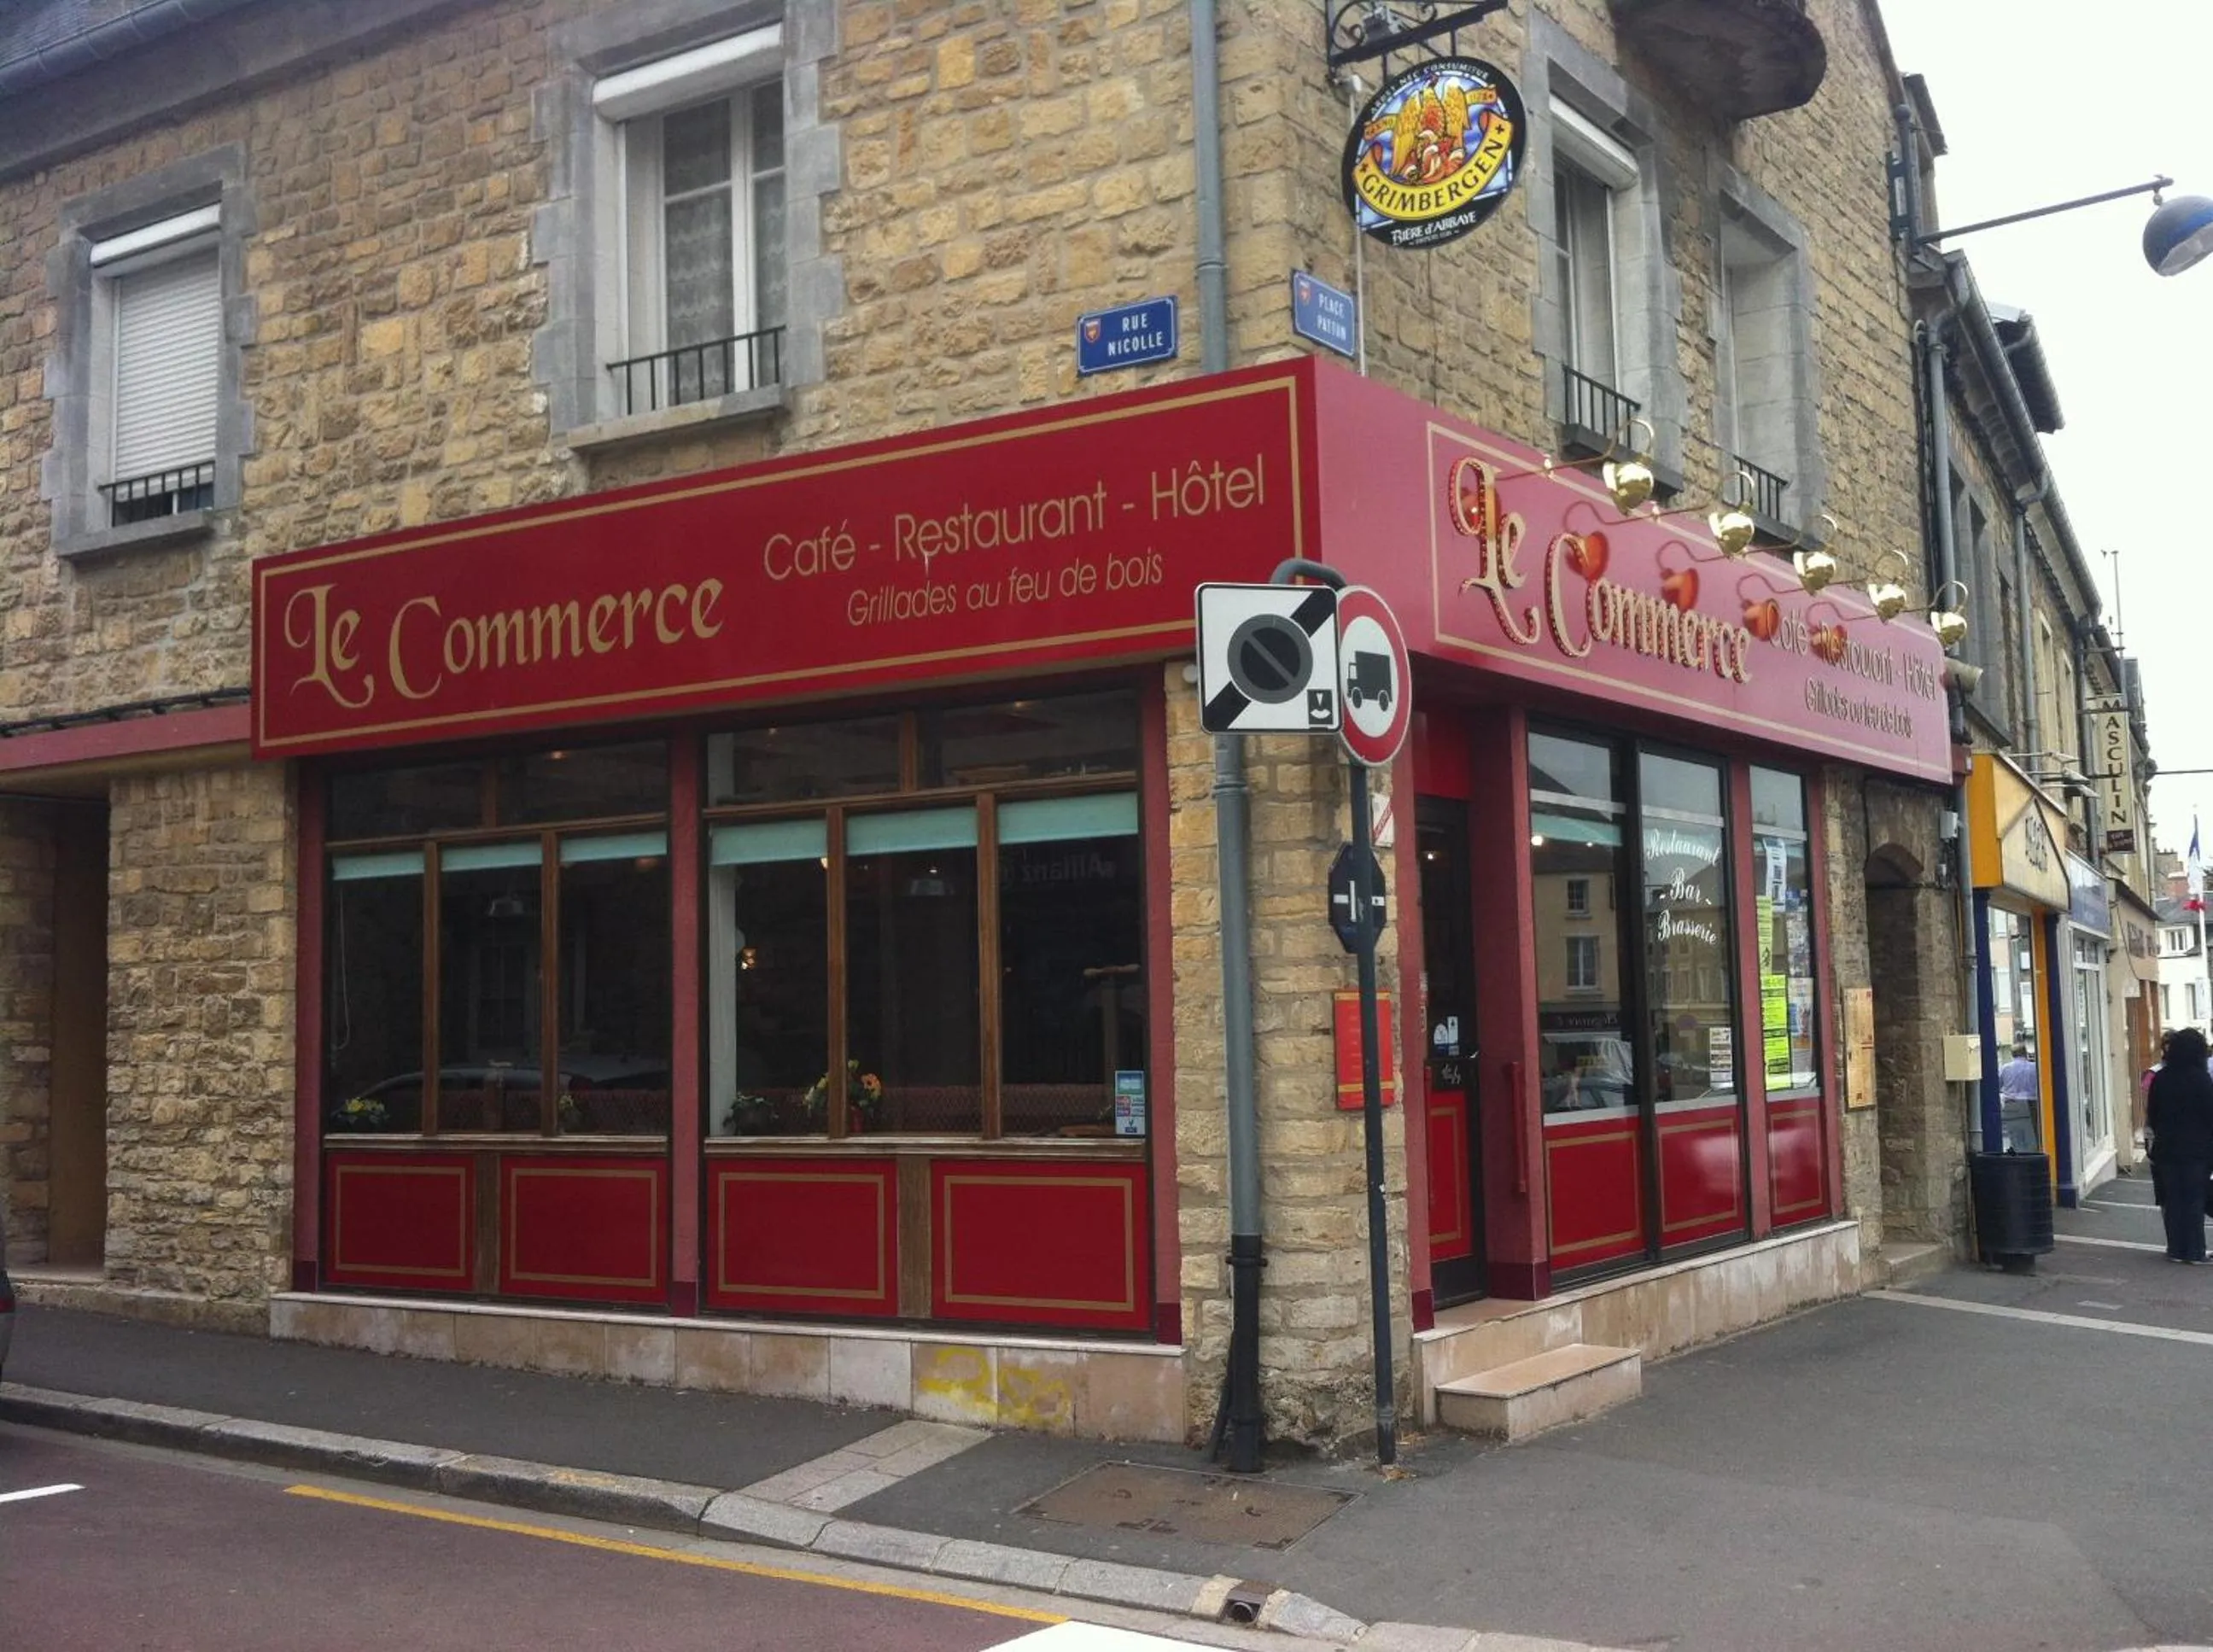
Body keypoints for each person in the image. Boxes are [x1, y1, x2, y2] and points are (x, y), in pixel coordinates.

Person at [2146, 1026, 2213, 1263]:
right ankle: (2195, 1251)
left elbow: (2152, 1113)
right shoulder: (2201, 1080)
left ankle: (2175, 1248)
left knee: (2173, 1200)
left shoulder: (2161, 1078)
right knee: (2194, 1199)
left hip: (2167, 1148)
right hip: (2197, 1151)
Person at [1997, 1041, 2040, 1152]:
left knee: (2015, 1134)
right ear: (2025, 1053)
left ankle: (2018, 1153)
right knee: (2033, 1133)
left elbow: (1997, 1085)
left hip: (2011, 1105)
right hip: (2031, 1104)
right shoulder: (2035, 1067)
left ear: (2012, 1054)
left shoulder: (2005, 1068)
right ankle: (2032, 1154)